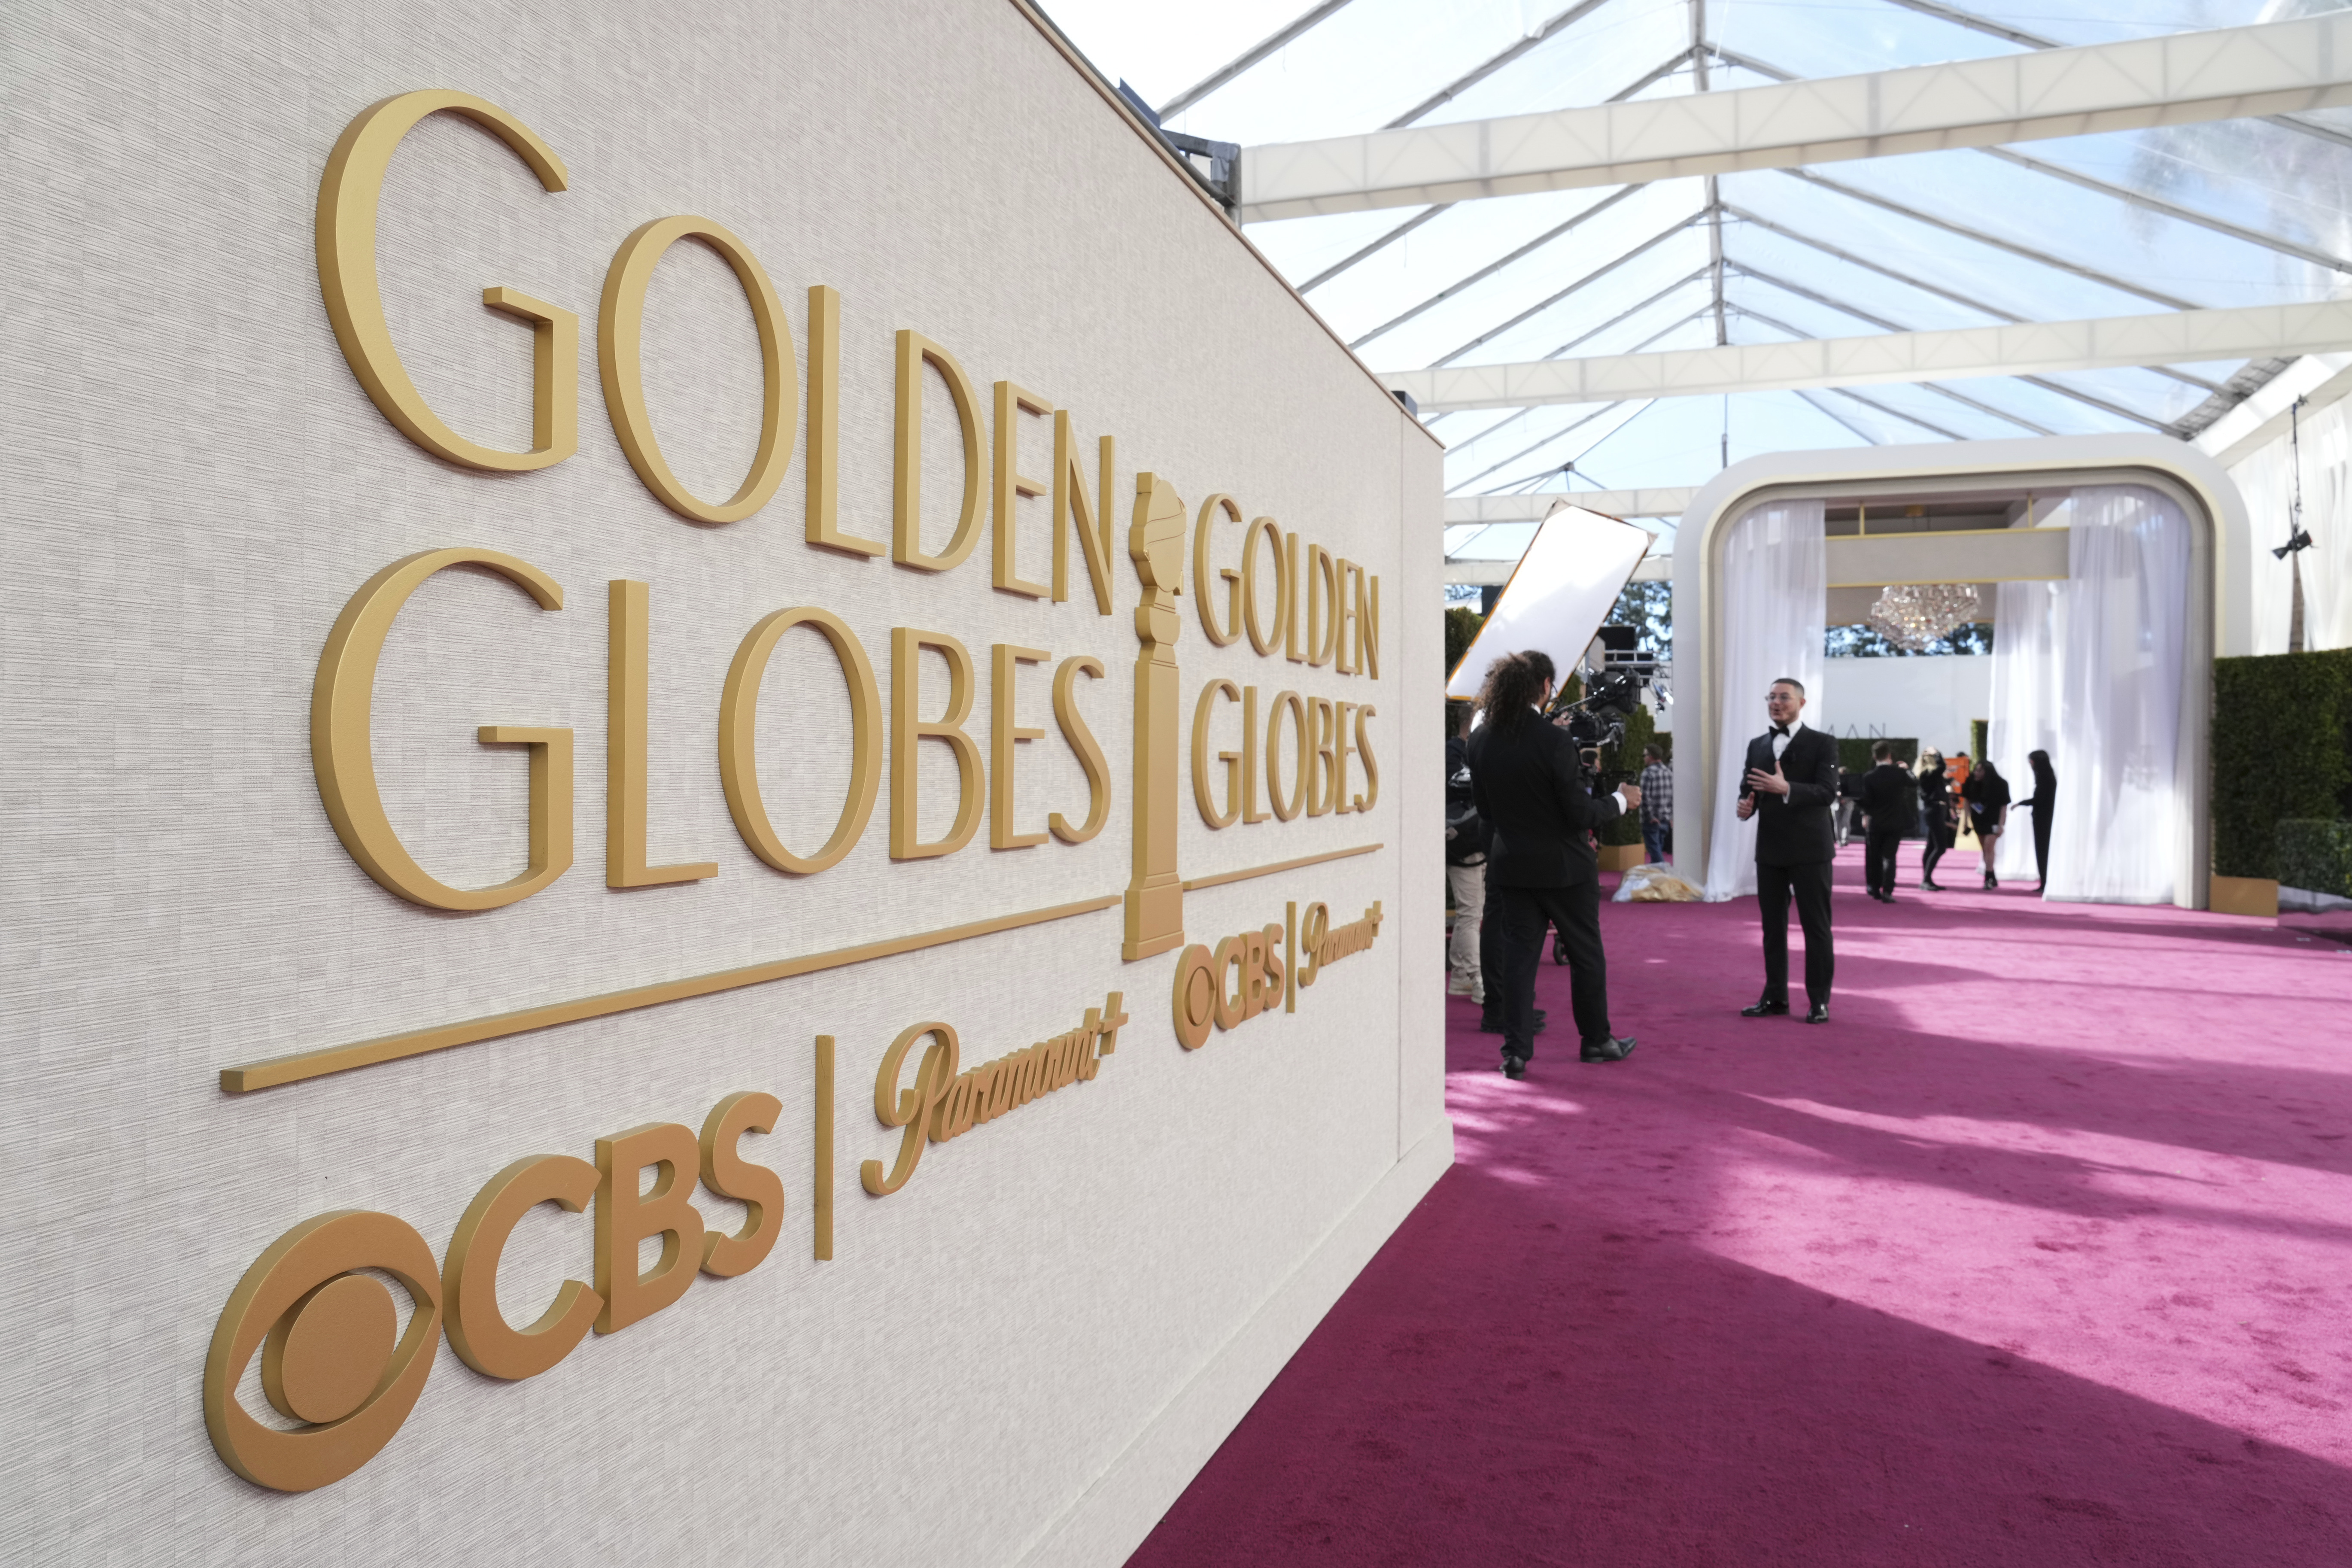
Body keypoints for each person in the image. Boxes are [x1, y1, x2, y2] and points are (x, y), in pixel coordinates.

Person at [1465, 651, 1639, 1077]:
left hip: (1512, 866)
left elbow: (1486, 811)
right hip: (1565, 869)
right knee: (1586, 955)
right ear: (1544, 687)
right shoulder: (1555, 741)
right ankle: (1597, 1040)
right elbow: (1580, 814)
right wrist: (1621, 800)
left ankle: (1516, 1052)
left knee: (1519, 959)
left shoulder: (1481, 739)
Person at [1736, 677, 1840, 1023]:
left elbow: (1827, 793)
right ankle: (1775, 996)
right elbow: (1747, 787)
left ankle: (1819, 1000)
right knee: (1772, 927)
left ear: (1801, 703)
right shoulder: (1757, 745)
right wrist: (1745, 804)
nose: (1776, 702)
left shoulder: (1823, 743)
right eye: (1772, 697)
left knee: (1816, 927)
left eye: (1784, 697)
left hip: (1812, 849)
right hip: (1771, 849)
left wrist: (1787, 788)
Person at [1443, 705, 1486, 1003]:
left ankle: (1460, 977)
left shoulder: (1462, 751)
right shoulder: (1452, 753)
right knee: (1471, 914)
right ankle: (1478, 980)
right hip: (1461, 843)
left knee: (1470, 913)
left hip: (1472, 842)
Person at [1856, 741, 1917, 902]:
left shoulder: (1869, 777)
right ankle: (1888, 891)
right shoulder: (1899, 774)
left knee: (1874, 857)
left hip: (1875, 823)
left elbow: (1865, 801)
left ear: (1874, 757)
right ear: (1889, 756)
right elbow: (1914, 782)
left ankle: (1875, 889)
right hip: (1895, 822)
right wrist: (1907, 769)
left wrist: (1861, 808)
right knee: (1890, 857)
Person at [1961, 758, 2011, 890]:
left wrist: (2002, 824)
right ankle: (1992, 875)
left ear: (1987, 772)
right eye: (1976, 770)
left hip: (1994, 820)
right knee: (1985, 848)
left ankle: (1988, 877)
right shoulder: (1971, 783)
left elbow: (2003, 806)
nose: (1976, 773)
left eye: (1979, 771)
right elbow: (1966, 802)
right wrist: (1966, 821)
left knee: (1990, 847)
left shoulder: (2001, 784)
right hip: (1978, 820)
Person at [2016, 749, 2057, 891]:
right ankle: (2045, 881)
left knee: (2042, 850)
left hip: (2043, 820)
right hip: (2046, 818)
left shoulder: (2044, 778)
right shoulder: (2049, 777)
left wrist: (2021, 803)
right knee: (2044, 851)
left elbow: (2039, 799)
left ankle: (2045, 882)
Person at [1917, 750, 1956, 892]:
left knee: (1931, 846)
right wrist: (1938, 753)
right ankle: (1926, 879)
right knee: (1940, 847)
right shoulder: (1929, 773)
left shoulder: (1927, 775)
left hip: (1934, 810)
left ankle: (1927, 879)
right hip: (1935, 810)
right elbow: (1942, 767)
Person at [1638, 742, 1673, 864]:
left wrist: (1651, 816)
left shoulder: (1648, 773)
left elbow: (1645, 797)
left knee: (1655, 852)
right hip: (1665, 819)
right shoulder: (1668, 773)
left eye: (1645, 755)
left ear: (1651, 756)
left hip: (1652, 820)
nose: (1644, 758)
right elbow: (1672, 797)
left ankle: (1663, 876)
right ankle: (1657, 879)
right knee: (1657, 850)